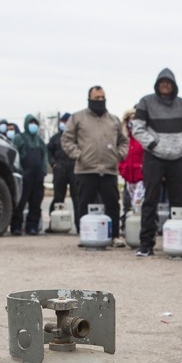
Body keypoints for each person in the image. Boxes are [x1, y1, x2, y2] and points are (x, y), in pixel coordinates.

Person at [130, 68, 182, 257]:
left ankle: (175, 244)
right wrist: (152, 144)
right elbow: (137, 128)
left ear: (174, 85)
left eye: (169, 82)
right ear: (157, 84)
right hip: (153, 156)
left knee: (177, 201)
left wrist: (181, 146)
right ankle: (146, 244)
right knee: (150, 199)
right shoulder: (146, 102)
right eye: (162, 82)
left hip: (177, 157)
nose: (165, 85)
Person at [61, 86, 129, 245]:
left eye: (102, 98)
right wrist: (78, 155)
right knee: (84, 204)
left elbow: (124, 141)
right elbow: (66, 139)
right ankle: (85, 236)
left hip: (109, 170)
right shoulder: (78, 118)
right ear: (89, 98)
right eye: (96, 98)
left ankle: (114, 236)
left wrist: (119, 155)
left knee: (112, 204)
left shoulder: (113, 120)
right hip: (86, 169)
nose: (100, 101)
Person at [10, 114, 48, 236]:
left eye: (35, 123)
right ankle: (16, 227)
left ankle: (32, 227)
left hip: (38, 177)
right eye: (31, 123)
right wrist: (19, 171)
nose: (33, 125)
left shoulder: (40, 141)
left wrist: (43, 171)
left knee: (36, 204)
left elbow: (44, 157)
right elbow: (14, 155)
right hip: (24, 176)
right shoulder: (18, 138)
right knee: (20, 203)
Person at [46, 113, 78, 232]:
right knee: (58, 197)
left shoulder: (76, 138)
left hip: (74, 169)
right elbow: (49, 152)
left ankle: (80, 226)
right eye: (63, 122)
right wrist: (53, 163)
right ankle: (54, 225)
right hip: (59, 170)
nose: (64, 124)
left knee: (77, 198)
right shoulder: (55, 138)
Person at [119, 109, 145, 214]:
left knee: (138, 203)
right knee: (128, 202)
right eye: (130, 119)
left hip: (142, 176)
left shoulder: (144, 138)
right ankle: (128, 222)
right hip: (128, 176)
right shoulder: (124, 139)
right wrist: (121, 168)